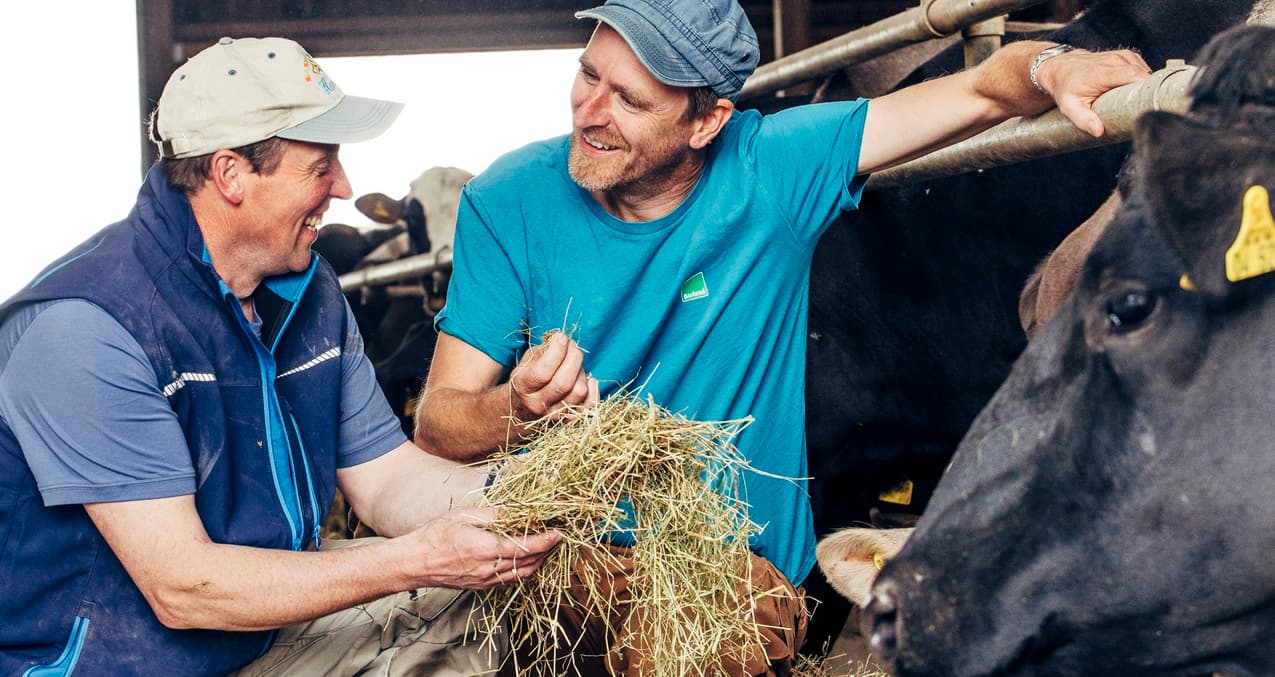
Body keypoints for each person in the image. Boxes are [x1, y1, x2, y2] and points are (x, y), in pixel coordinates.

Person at [411, 0, 1150, 673]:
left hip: (733, 581)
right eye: (587, 75)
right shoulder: (507, 200)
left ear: (706, 124)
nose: (590, 112)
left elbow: (986, 87)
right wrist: (519, 408)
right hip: (562, 569)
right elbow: (438, 424)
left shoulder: (771, 169)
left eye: (630, 100)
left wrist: (1055, 67)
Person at [0, 36, 559, 676]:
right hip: (117, 662)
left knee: (479, 604)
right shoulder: (86, 328)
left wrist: (536, 493)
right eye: (320, 167)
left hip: (255, 635)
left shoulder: (307, 291)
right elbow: (183, 588)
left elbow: (386, 481)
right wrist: (419, 559)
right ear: (231, 174)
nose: (345, 187)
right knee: (431, 582)